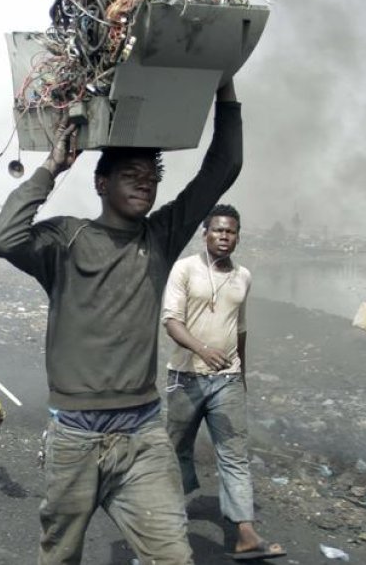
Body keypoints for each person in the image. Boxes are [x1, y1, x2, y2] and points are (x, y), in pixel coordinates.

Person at [0, 80, 243, 565]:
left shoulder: (161, 236)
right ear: (101, 184)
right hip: (75, 438)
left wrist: (224, 85)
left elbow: (223, 168)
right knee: (60, 556)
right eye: (131, 174)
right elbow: (3, 239)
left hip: (142, 433)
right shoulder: (66, 238)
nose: (145, 183)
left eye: (151, 176)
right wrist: (51, 167)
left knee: (173, 555)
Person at [162, 205, 285, 561]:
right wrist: (201, 348)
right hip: (185, 377)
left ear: (237, 236)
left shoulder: (243, 276)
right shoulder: (185, 269)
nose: (224, 237)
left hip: (227, 380)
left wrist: (241, 374)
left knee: (234, 455)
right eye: (217, 231)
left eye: (230, 232)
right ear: (205, 234)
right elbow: (170, 321)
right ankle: (172, 515)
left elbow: (241, 328)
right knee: (177, 448)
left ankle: (245, 533)